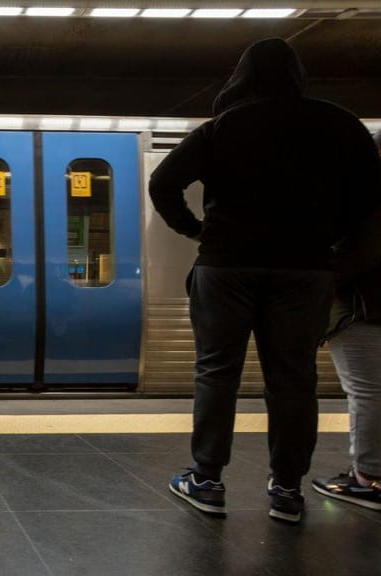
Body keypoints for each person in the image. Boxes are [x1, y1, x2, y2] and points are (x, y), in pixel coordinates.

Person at [149, 38, 381, 523]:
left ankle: (207, 480)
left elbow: (163, 182)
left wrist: (196, 229)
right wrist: (327, 238)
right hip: (306, 269)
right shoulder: (341, 124)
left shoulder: (225, 125)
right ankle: (288, 490)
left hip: (226, 265)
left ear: (243, 75)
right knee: (294, 378)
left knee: (217, 371)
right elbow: (369, 200)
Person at [312, 131, 381, 511]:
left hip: (363, 308)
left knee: (368, 393)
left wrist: (317, 281)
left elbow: (361, 251)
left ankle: (369, 477)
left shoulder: (369, 196)